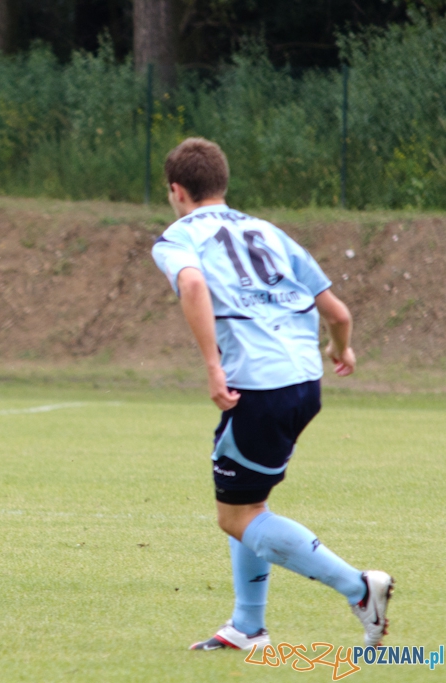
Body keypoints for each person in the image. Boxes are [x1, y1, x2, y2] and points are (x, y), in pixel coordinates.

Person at [150, 138, 393, 650]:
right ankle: (247, 626)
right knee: (249, 505)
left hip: (258, 387)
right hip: (304, 382)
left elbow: (193, 287)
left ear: (177, 190)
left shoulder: (178, 237)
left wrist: (212, 366)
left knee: (236, 517)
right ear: (223, 182)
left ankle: (359, 588)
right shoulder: (269, 231)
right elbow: (338, 313)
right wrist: (340, 349)